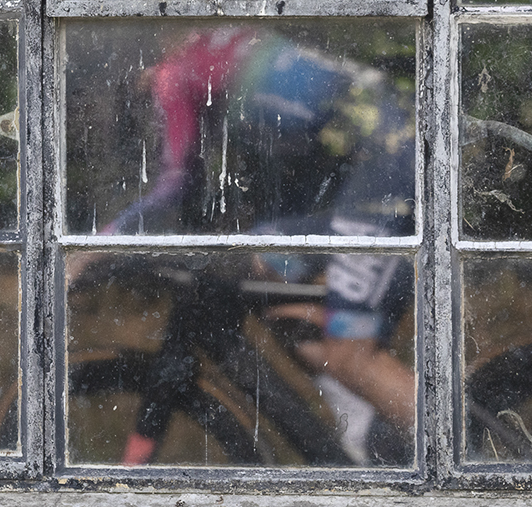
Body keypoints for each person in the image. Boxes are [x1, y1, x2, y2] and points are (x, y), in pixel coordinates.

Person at [95, 27, 418, 465]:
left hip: (385, 162)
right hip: (385, 152)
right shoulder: (216, 50)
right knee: (277, 295)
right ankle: (366, 442)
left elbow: (175, 185)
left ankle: (470, 463)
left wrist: (93, 247)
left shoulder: (170, 76)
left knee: (351, 359)